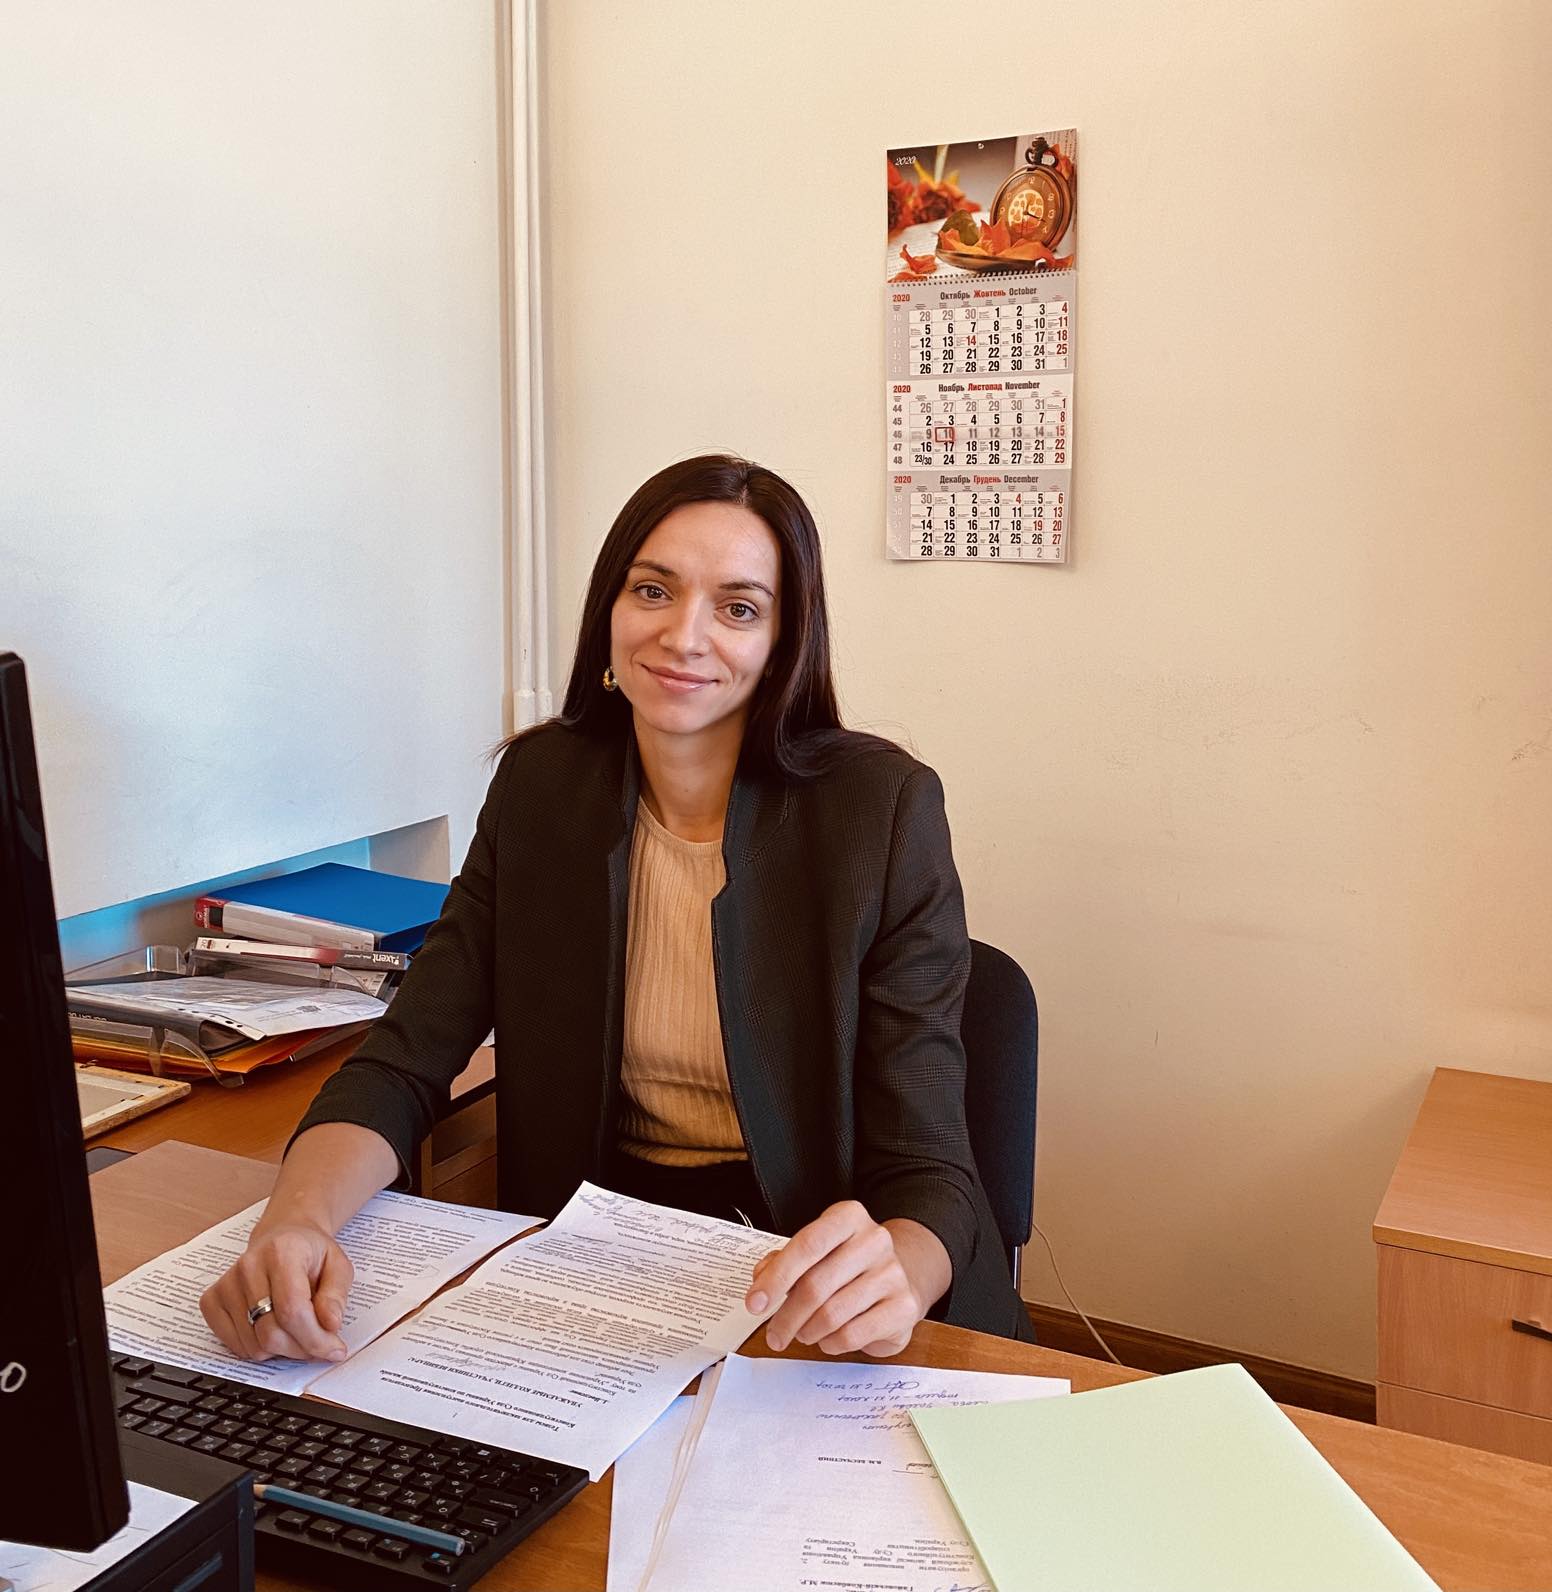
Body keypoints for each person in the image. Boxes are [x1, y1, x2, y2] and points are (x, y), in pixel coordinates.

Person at [200, 454, 1029, 1370]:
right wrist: (296, 1220)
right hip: (598, 1266)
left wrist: (898, 1268)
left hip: (803, 1278)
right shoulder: (541, 788)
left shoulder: (880, 813)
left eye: (738, 608)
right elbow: (406, 1059)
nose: (684, 635)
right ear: (610, 608)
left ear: (785, 642)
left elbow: (932, 1168)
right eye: (653, 590)